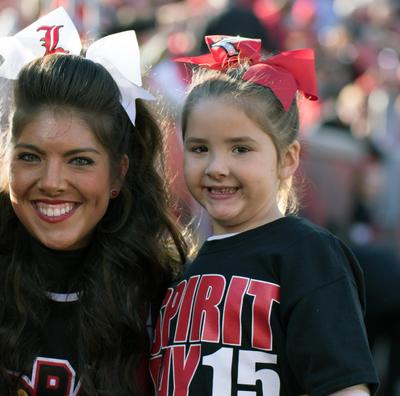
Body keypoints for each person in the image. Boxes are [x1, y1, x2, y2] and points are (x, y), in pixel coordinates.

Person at [150, 35, 379, 395]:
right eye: (199, 148)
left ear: (287, 159)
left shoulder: (307, 253)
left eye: (240, 148)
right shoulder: (182, 268)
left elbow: (344, 387)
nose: (217, 167)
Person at [0, 11, 188, 394]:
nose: (52, 182)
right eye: (29, 156)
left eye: (80, 161)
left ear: (118, 173)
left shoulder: (164, 294)